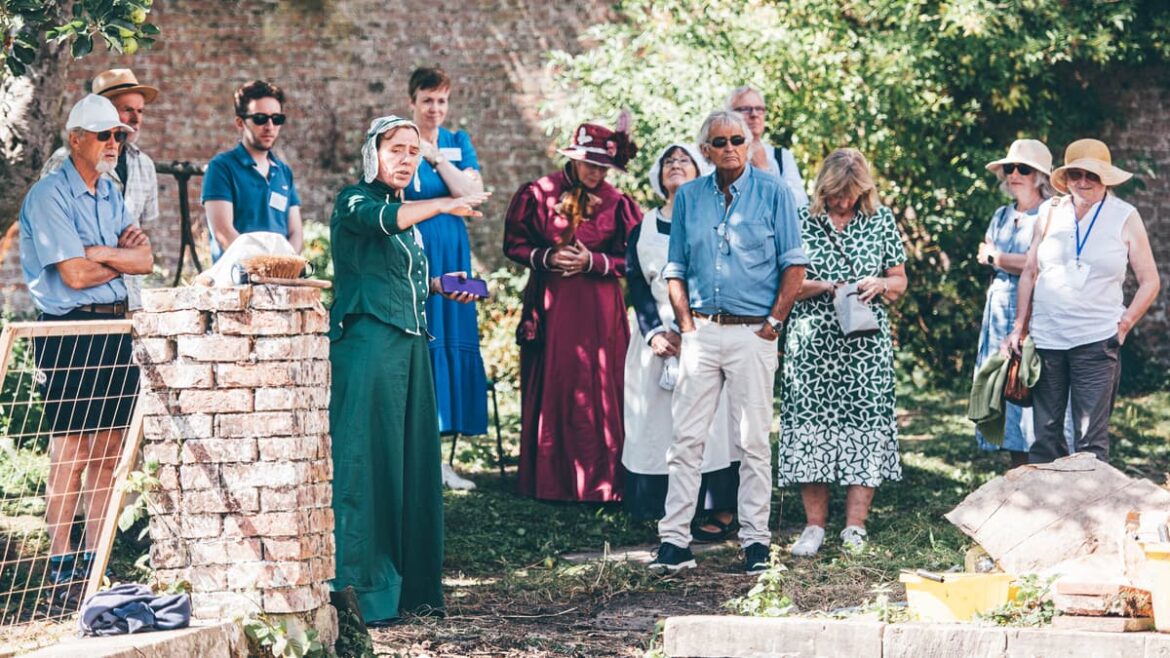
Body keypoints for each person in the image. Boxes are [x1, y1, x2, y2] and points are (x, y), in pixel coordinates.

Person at [328, 115, 489, 623]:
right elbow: (379, 225)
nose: (405, 158)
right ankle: (364, 592)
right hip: (370, 347)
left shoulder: (404, 213)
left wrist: (441, 285)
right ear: (372, 152)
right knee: (368, 464)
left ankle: (412, 590)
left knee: (413, 466)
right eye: (395, 148)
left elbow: (398, 270)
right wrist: (445, 202)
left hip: (411, 348)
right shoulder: (355, 200)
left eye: (413, 152)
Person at [649, 110, 807, 575]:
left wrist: (774, 324)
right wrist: (686, 324)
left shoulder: (774, 192)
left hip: (754, 332)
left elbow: (794, 265)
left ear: (749, 141)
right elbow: (674, 266)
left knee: (753, 441)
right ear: (707, 151)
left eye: (738, 139)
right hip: (701, 330)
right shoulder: (690, 198)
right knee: (686, 439)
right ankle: (674, 541)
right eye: (720, 142)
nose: (731, 147)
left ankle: (756, 541)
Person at [18, 94, 153, 584]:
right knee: (71, 448)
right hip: (69, 331)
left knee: (110, 447)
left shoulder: (112, 193)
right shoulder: (48, 195)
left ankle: (95, 559)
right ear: (75, 140)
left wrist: (100, 251)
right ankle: (59, 557)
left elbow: (145, 261)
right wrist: (114, 254)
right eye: (103, 134)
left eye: (117, 134)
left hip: (115, 327)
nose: (113, 142)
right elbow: (73, 275)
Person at [503, 117, 641, 502]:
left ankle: (602, 482)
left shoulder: (618, 204)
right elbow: (513, 245)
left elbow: (637, 259)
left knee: (599, 385)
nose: (596, 173)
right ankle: (550, 481)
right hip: (553, 305)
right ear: (574, 158)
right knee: (557, 380)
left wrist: (593, 263)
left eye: (603, 166)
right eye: (590, 164)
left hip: (599, 309)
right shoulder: (539, 192)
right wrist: (547, 256)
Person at [779, 148, 907, 557]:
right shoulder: (801, 222)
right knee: (811, 429)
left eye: (851, 194)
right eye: (837, 194)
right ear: (823, 189)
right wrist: (827, 286)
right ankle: (814, 526)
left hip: (864, 346)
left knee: (864, 426)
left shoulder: (880, 220)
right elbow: (784, 286)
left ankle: (855, 526)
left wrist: (880, 285)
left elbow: (900, 279)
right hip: (813, 345)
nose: (843, 202)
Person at [1007, 139, 1160, 464]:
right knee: (1045, 435)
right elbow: (1030, 272)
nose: (1083, 181)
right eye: (1076, 174)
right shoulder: (1049, 212)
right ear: (1066, 178)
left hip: (1096, 340)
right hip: (1047, 339)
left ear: (1105, 178)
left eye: (1092, 175)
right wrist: (1019, 327)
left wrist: (1125, 323)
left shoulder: (1125, 216)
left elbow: (1150, 281)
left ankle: (1091, 511)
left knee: (1089, 439)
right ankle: (1049, 509)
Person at [623, 142, 740, 540]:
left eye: (684, 160)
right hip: (656, 340)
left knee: (709, 424)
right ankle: (656, 505)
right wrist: (655, 331)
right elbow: (637, 283)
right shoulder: (643, 226)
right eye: (668, 161)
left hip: (704, 334)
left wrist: (692, 326)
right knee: (656, 421)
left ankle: (712, 506)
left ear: (699, 172)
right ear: (659, 175)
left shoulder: (716, 219)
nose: (676, 165)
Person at [403, 67, 488, 491]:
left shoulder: (457, 143)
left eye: (441, 101)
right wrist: (446, 201)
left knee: (452, 334)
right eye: (427, 100)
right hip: (420, 249)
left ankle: (442, 458)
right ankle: (422, 457)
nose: (434, 109)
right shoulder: (400, 142)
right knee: (425, 338)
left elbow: (472, 195)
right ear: (412, 103)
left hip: (454, 252)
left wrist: (436, 159)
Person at [974, 140, 1068, 467]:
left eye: (1023, 169)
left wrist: (997, 257)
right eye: (1009, 168)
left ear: (1039, 176)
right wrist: (1000, 259)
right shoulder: (1001, 215)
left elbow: (1034, 263)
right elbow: (985, 253)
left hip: (1033, 311)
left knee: (1029, 386)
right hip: (998, 308)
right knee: (1005, 389)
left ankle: (1041, 469)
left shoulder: (1050, 213)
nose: (1014, 174)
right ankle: (1017, 472)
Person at [40, 68, 160, 311]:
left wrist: (106, 253)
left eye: (140, 111)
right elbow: (59, 240)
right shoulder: (65, 163)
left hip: (128, 301)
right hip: (76, 304)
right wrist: (123, 257)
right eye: (127, 110)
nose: (136, 118)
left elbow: (144, 242)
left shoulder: (144, 164)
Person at [202, 80, 303, 262]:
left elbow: (295, 231)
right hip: (235, 280)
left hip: (280, 279)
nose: (269, 126)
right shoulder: (221, 167)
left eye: (277, 119)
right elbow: (223, 232)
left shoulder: (284, 172)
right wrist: (262, 267)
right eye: (260, 118)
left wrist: (288, 265)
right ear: (240, 123)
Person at [726, 85, 809, 206]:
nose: (754, 114)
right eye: (745, 109)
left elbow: (799, 203)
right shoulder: (717, 154)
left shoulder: (781, 157)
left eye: (759, 109)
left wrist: (764, 170)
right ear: (729, 115)